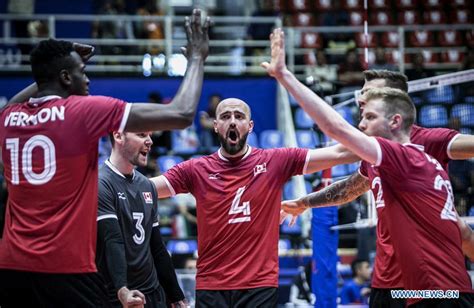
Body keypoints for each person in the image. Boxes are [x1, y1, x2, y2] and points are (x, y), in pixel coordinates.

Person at [0, 9, 210, 308]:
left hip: (11, 267)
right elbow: (181, 113)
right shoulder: (80, 111)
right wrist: (198, 58)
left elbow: (13, 102)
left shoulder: (10, 118)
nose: (86, 78)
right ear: (64, 77)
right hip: (64, 268)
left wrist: (49, 75)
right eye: (81, 72)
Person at [263, 28, 474, 307]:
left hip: (430, 288)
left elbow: (336, 132)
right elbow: (350, 181)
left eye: (369, 102)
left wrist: (285, 76)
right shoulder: (399, 156)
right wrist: (304, 202)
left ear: (394, 112)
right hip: (405, 286)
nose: (360, 103)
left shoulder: (409, 150)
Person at [148, 97, 358, 307]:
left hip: (259, 286)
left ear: (250, 126)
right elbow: (145, 189)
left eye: (239, 116)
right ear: (215, 126)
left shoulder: (275, 161)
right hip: (211, 285)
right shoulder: (195, 170)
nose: (232, 122)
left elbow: (341, 152)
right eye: (225, 116)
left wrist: (380, 144)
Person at [96, 131, 186, 308]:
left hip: (153, 294)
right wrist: (122, 289)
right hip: (118, 297)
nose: (150, 141)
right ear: (119, 136)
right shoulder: (101, 182)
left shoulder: (146, 185)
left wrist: (176, 295)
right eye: (141, 134)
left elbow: (157, 246)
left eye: (150, 135)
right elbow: (112, 241)